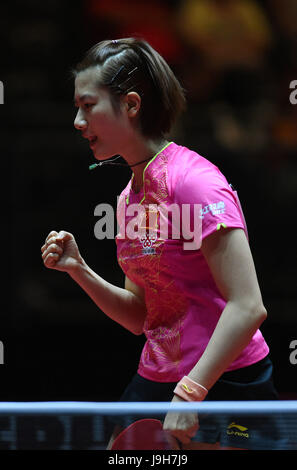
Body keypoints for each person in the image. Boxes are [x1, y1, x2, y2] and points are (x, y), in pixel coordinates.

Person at [41, 38, 281, 450]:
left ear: (131, 105)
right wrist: (78, 269)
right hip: (159, 373)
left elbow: (248, 305)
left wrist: (193, 391)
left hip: (225, 378)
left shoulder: (194, 182)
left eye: (88, 105)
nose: (78, 121)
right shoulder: (128, 198)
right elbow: (142, 317)